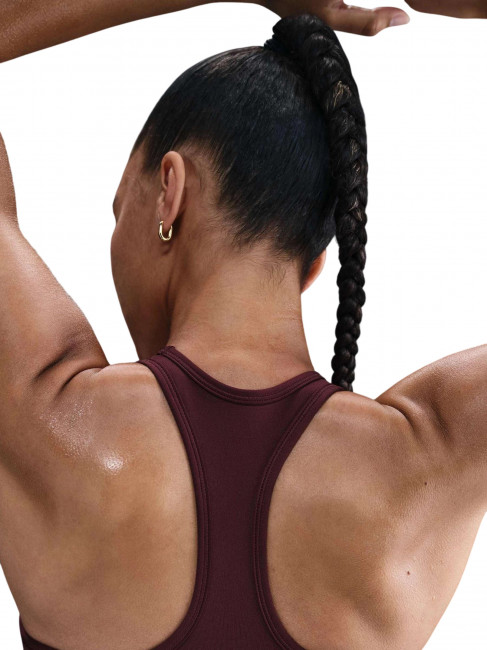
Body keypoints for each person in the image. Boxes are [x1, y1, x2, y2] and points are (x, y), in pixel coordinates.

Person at [0, 1, 486, 649]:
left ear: (169, 192)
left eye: (120, 211)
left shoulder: (49, 414)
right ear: (311, 268)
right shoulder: (428, 455)